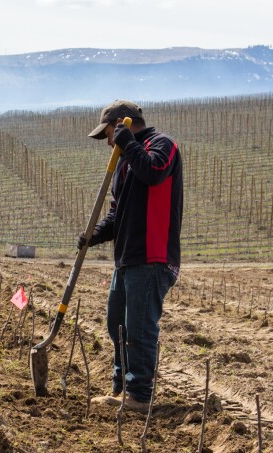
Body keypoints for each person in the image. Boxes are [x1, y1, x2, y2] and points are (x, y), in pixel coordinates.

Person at [79, 100, 183, 413]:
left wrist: (128, 143)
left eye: (108, 134)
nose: (108, 141)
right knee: (118, 326)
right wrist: (95, 234)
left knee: (138, 329)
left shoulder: (162, 145)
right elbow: (116, 213)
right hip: (125, 258)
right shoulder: (124, 161)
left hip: (152, 257)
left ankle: (139, 395)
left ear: (122, 124)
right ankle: (119, 388)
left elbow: (153, 172)